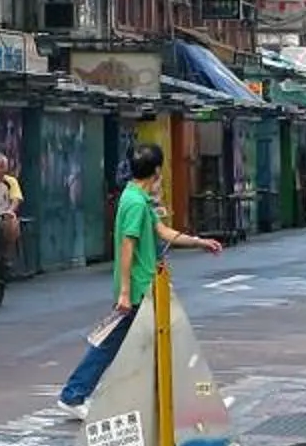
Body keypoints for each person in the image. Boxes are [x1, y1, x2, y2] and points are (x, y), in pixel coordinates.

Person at [57, 142, 220, 417]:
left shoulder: (137, 199)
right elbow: (127, 245)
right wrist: (124, 292)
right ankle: (76, 395)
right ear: (157, 170)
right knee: (156, 340)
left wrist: (199, 242)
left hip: (144, 287)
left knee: (123, 344)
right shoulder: (134, 202)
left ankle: (77, 394)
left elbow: (163, 231)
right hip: (139, 289)